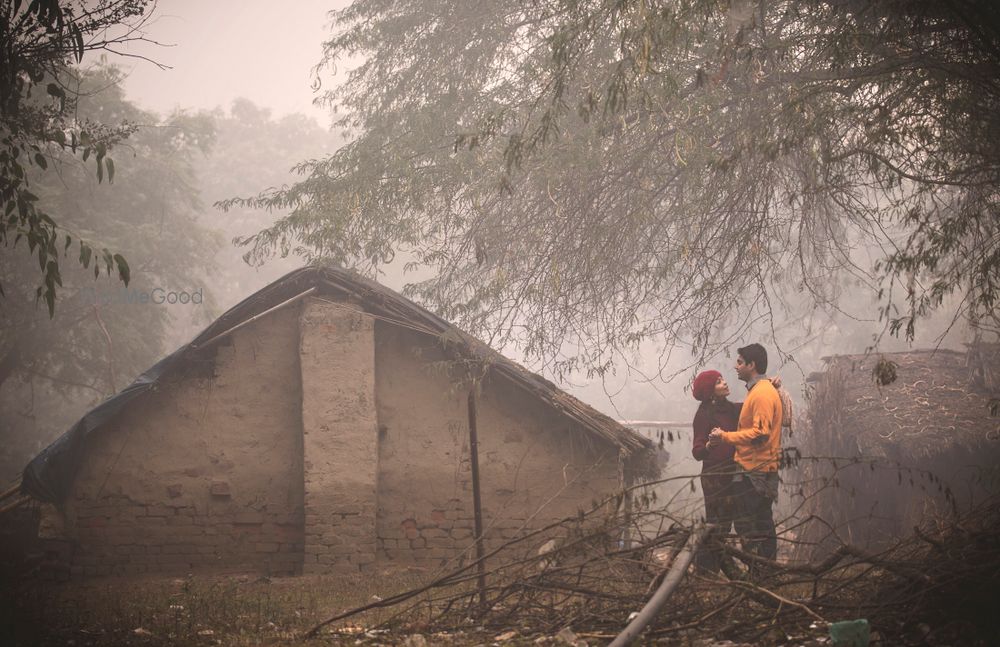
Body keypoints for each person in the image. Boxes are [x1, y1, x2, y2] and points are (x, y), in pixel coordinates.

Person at [709, 343, 783, 561]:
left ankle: (758, 571)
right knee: (762, 523)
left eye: (740, 362)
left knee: (748, 525)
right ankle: (765, 572)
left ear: (752, 365)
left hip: (755, 470)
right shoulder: (761, 390)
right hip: (760, 467)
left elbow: (760, 433)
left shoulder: (761, 393)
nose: (736, 366)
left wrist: (725, 437)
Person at [690, 369, 740, 573]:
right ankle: (705, 571)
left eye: (723, 379)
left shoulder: (732, 409)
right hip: (714, 476)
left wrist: (769, 385)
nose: (725, 383)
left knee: (725, 525)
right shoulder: (703, 415)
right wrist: (710, 445)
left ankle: (714, 571)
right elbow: (697, 451)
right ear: (710, 391)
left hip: (732, 473)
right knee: (715, 525)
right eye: (719, 382)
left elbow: (752, 406)